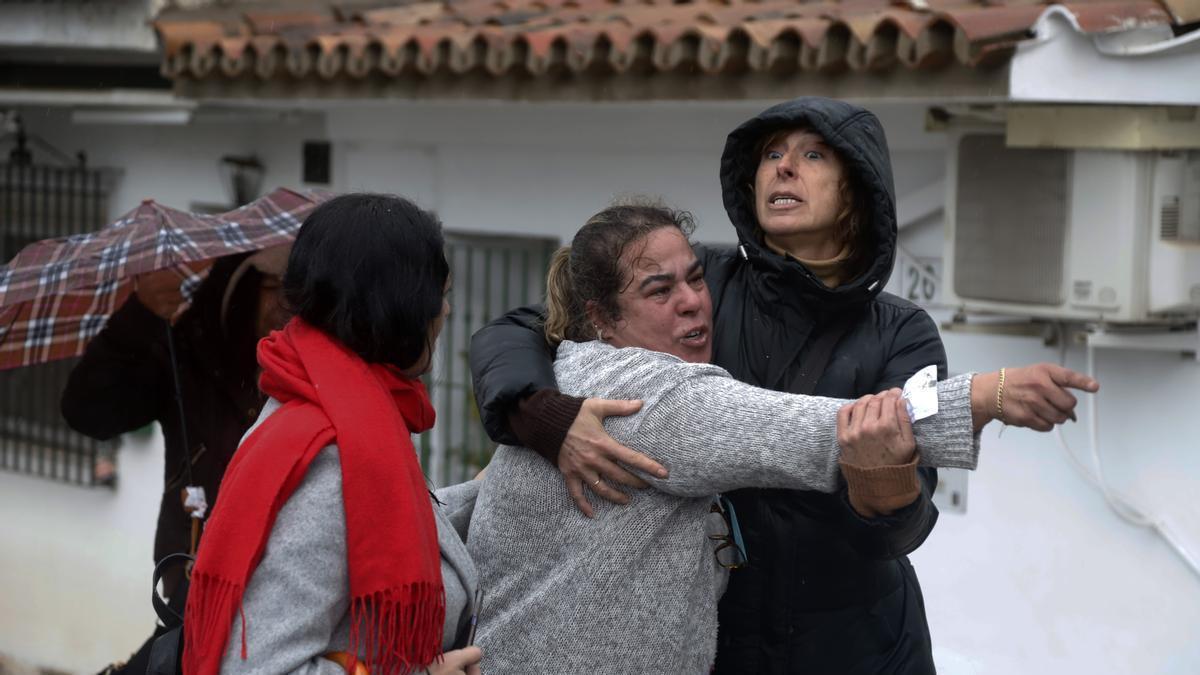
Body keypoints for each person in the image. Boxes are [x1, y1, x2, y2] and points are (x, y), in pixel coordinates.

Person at [468, 98, 1097, 673]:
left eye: (811, 155)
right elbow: (522, 325)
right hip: (724, 642)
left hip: (857, 648)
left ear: (856, 192)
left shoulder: (900, 332)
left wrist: (882, 481)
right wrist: (541, 413)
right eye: (771, 155)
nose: (783, 169)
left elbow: (904, 530)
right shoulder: (703, 278)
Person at [181, 193, 483, 675]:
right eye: (439, 294)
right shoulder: (330, 450)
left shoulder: (345, 409)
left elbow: (377, 525)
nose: (444, 312)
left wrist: (506, 478)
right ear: (403, 307)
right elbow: (256, 667)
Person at [62, 245, 289, 674]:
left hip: (279, 610)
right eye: (273, 288)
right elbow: (87, 411)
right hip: (190, 597)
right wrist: (141, 317)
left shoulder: (315, 377)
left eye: (297, 293)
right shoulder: (190, 355)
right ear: (239, 295)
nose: (286, 306)